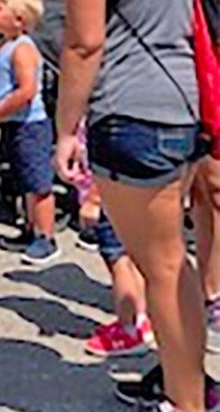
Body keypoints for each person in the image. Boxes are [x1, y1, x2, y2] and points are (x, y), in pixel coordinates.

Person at [51, 0, 210, 412]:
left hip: (131, 111)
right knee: (177, 268)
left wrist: (66, 129)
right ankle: (190, 389)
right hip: (185, 101)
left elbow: (84, 42)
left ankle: (188, 399)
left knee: (163, 270)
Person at [147, 0, 220, 356]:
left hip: (209, 100)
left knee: (213, 192)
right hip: (167, 102)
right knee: (184, 203)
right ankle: (193, 297)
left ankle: (213, 291)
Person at [0, 0, 60, 265]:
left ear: (19, 20)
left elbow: (26, 90)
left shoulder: (23, 49)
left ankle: (46, 236)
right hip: (10, 124)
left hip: (30, 125)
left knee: (38, 181)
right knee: (21, 178)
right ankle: (29, 227)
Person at [73, 124, 154, 357]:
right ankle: (140, 318)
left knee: (117, 261)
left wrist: (94, 200)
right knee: (130, 259)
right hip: (129, 192)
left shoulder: (104, 116)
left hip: (108, 199)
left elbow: (107, 159)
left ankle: (128, 329)